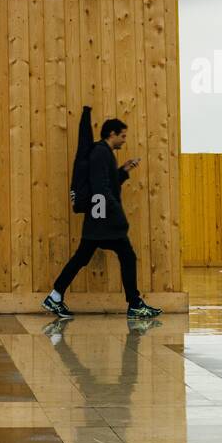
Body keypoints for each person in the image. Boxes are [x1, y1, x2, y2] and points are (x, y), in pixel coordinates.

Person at [42, 117, 162, 321]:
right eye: (122, 136)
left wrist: (123, 172)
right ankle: (134, 304)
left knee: (84, 257)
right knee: (126, 256)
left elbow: (106, 184)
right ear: (112, 134)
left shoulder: (104, 153)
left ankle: (55, 296)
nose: (124, 140)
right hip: (103, 221)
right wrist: (117, 215)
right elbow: (100, 189)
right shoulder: (100, 154)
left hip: (99, 219)